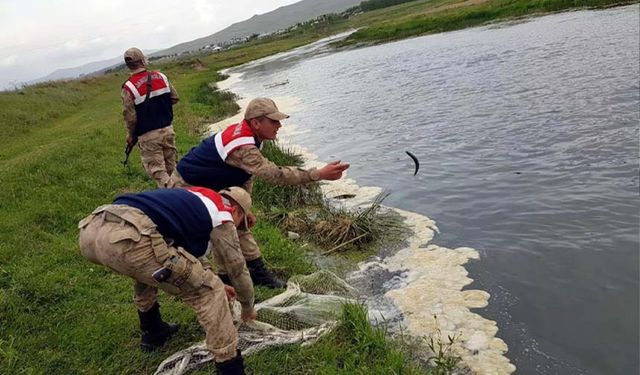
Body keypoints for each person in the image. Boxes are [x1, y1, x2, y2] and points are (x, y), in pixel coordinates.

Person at [169, 97, 350, 288]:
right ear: (256, 122)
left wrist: (244, 208)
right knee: (219, 229)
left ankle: (254, 273)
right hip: (187, 187)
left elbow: (246, 174)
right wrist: (318, 174)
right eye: (273, 121)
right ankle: (220, 280)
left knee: (240, 223)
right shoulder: (244, 147)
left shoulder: (254, 137)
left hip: (210, 182)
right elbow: (275, 175)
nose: (279, 125)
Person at [78, 186, 256, 375]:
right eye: (240, 223)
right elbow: (237, 268)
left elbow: (180, 250)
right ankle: (231, 369)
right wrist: (247, 306)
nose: (235, 228)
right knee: (209, 291)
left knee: (148, 265)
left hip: (93, 228)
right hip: (128, 237)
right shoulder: (224, 216)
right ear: (237, 211)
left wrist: (209, 273)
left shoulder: (196, 195)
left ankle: (153, 330)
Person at [121, 47, 180, 188]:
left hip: (148, 137)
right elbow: (175, 98)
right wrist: (160, 108)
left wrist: (130, 135)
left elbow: (130, 117)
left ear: (128, 65)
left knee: (159, 173)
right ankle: (185, 193)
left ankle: (176, 200)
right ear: (142, 60)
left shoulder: (128, 87)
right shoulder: (161, 76)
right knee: (173, 169)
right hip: (167, 130)